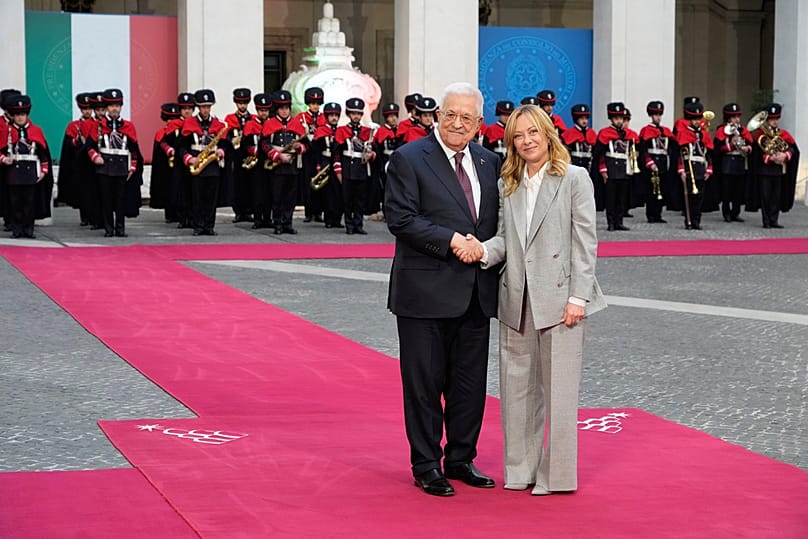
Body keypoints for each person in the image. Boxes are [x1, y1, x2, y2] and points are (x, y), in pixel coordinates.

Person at [473, 104, 606, 495]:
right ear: (510, 141)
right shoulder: (508, 183)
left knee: (561, 392)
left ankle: (557, 477)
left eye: (533, 132)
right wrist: (480, 252)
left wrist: (578, 297)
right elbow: (504, 240)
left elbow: (585, 242)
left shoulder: (574, 178)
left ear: (548, 132)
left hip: (562, 298)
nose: (527, 140)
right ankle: (520, 470)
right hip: (516, 297)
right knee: (516, 392)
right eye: (518, 135)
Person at [384, 81, 501, 497]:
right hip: (425, 293)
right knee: (424, 383)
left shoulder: (491, 162)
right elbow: (400, 218)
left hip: (476, 293)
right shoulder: (409, 158)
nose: (456, 122)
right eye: (449, 114)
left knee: (469, 384)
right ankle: (426, 463)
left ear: (479, 124)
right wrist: (452, 240)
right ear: (436, 115)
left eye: (466, 117)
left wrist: (486, 250)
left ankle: (461, 458)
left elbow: (495, 224)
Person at [87, 88, 143, 238]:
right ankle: (108, 229)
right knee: (106, 199)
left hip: (122, 166)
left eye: (117, 105)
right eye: (111, 106)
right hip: (104, 167)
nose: (114, 109)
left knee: (120, 200)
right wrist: (95, 157)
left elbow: (134, 150)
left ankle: (120, 228)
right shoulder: (98, 126)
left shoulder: (128, 126)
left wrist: (133, 167)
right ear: (106, 108)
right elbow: (89, 147)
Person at [1, 95, 54, 239]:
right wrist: (3, 159)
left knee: (29, 203)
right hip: (13, 173)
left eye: (23, 115)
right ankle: (17, 229)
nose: (20, 118)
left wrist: (44, 170)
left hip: (30, 173)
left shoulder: (36, 130)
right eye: (17, 115)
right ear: (13, 116)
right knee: (15, 203)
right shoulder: (7, 131)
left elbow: (43, 153)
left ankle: (28, 229)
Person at [179, 89, 228, 236]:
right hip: (197, 164)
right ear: (198, 107)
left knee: (211, 198)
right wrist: (189, 158)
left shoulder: (218, 124)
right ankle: (198, 226)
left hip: (212, 166)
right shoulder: (189, 123)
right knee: (197, 197)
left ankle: (209, 225)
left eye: (208, 106)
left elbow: (225, 144)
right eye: (203, 106)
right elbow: (182, 146)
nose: (206, 110)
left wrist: (221, 151)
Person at [746, 103, 800, 228]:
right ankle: (766, 220)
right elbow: (756, 153)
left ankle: (774, 220)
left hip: (779, 170)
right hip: (765, 170)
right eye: (772, 119)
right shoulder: (760, 135)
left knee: (776, 196)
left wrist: (785, 155)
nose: (774, 122)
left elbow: (793, 149)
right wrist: (770, 157)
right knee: (766, 196)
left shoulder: (783, 134)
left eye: (776, 119)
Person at [261, 90, 307, 235]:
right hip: (277, 165)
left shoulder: (296, 123)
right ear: (277, 109)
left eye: (286, 108)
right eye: (281, 108)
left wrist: (300, 147)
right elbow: (264, 144)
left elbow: (307, 145)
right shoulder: (270, 123)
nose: (285, 111)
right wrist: (277, 155)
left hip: (292, 165)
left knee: (290, 196)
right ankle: (278, 223)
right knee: (277, 196)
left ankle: (288, 222)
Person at [333, 97, 375, 234]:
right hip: (347, 168)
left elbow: (372, 150)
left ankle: (359, 224)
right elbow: (337, 153)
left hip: (361, 168)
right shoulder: (341, 131)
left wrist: (371, 155)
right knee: (347, 200)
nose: (356, 116)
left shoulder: (367, 131)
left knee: (360, 199)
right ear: (349, 115)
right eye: (353, 113)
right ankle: (349, 225)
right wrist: (338, 171)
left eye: (358, 113)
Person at [594, 102, 638, 231]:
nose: (619, 121)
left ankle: (619, 221)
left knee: (621, 197)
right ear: (612, 119)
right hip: (611, 168)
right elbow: (599, 154)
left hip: (624, 169)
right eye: (616, 119)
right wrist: (603, 169)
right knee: (611, 198)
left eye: (621, 119)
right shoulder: (605, 133)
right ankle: (611, 222)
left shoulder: (629, 134)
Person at [675, 102, 713, 230]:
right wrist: (681, 170)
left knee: (700, 197)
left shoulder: (704, 134)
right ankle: (689, 220)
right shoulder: (684, 133)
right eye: (694, 119)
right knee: (690, 196)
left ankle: (697, 220)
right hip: (688, 167)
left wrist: (709, 169)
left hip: (701, 167)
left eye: (698, 119)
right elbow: (679, 153)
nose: (697, 121)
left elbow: (708, 153)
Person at [713, 103, 752, 223]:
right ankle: (726, 213)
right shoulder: (721, 130)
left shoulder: (743, 130)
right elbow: (717, 149)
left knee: (738, 190)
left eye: (738, 116)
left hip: (740, 161)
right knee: (727, 190)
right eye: (734, 117)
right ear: (728, 118)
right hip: (727, 162)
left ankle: (736, 212)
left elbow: (750, 144)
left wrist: (747, 148)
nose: (737, 119)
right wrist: (731, 145)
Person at [638, 100, 675, 223]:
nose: (658, 117)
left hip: (663, 162)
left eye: (659, 115)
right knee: (651, 190)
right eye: (655, 115)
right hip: (652, 162)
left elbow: (671, 147)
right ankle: (651, 214)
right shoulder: (646, 130)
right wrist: (649, 162)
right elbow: (643, 149)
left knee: (662, 188)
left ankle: (658, 214)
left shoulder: (666, 131)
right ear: (651, 115)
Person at [295, 87, 326, 223]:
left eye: (318, 103)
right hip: (306, 153)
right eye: (313, 103)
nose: (315, 106)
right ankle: (309, 212)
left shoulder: (324, 117)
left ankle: (318, 211)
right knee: (307, 181)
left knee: (320, 181)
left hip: (319, 152)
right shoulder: (301, 117)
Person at [224, 88, 254, 223]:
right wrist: (231, 140)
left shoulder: (252, 118)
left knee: (250, 182)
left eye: (244, 103)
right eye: (240, 103)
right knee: (237, 182)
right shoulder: (230, 118)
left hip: (249, 154)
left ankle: (249, 210)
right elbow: (225, 135)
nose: (242, 105)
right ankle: (239, 211)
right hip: (235, 155)